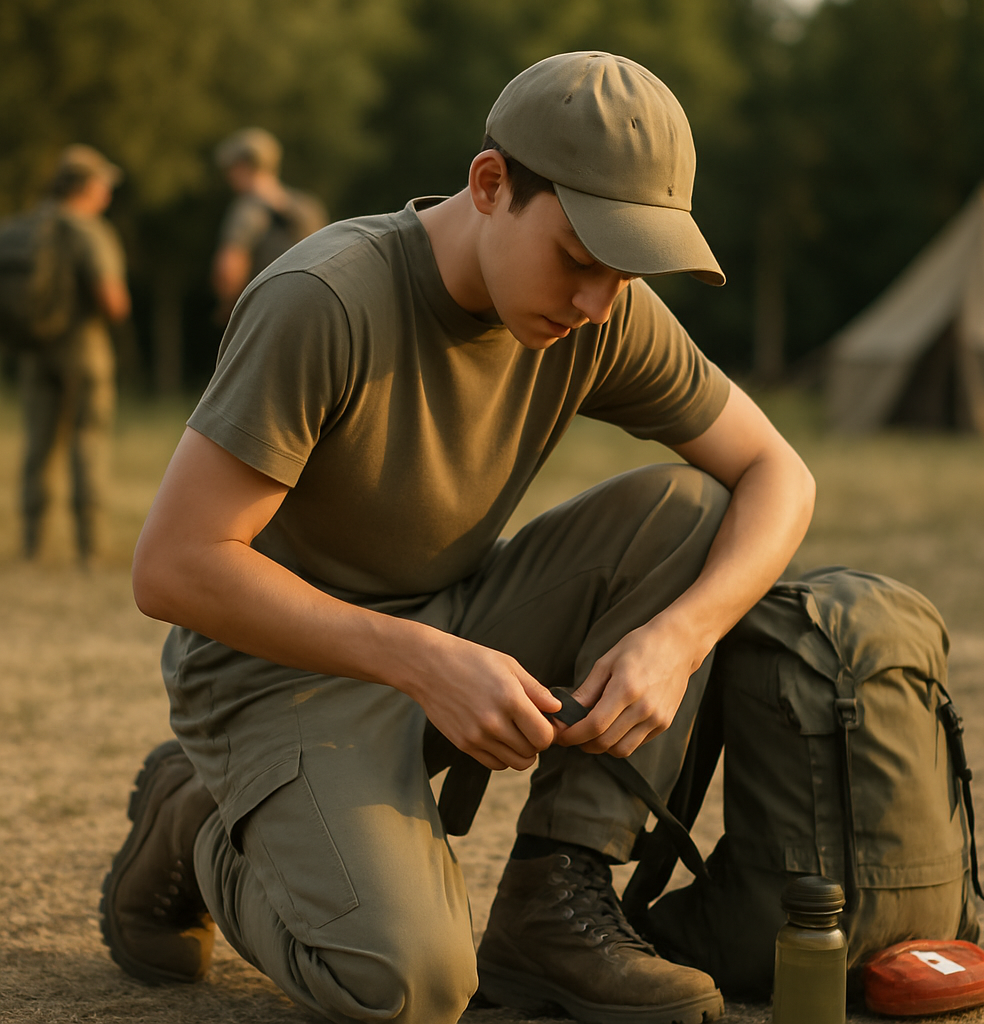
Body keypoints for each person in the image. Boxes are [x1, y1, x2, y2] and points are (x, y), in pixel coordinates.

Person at [101, 52, 815, 1024]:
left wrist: (678, 636)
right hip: (272, 669)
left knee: (691, 512)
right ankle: (194, 823)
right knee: (411, 988)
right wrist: (424, 660)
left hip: (449, 626)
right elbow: (176, 566)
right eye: (577, 255)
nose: (596, 302)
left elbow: (779, 473)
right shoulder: (324, 297)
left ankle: (552, 908)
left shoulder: (598, 312)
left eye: (624, 269)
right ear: (490, 186)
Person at [19, 144, 131, 567]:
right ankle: (90, 548)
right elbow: (113, 302)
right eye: (103, 183)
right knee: (88, 441)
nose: (107, 193)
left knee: (38, 448)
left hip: (35, 353)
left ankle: (33, 543)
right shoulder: (90, 231)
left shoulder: (31, 226)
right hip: (85, 355)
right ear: (85, 185)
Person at [210, 126, 328, 324]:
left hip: (266, 314)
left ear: (243, 165)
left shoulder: (248, 209)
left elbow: (228, 268)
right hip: (312, 312)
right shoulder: (308, 207)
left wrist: (227, 307)